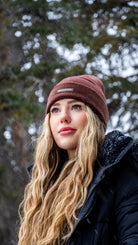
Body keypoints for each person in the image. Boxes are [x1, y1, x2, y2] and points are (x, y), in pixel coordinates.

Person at [18, 75, 138, 245]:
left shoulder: (122, 171)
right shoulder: (43, 186)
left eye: (75, 107)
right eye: (56, 110)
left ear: (94, 118)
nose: (64, 117)